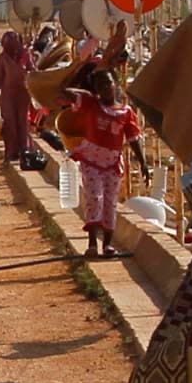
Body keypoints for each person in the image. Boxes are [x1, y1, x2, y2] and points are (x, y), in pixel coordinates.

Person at [63, 62, 144, 260]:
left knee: (110, 202)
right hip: (91, 160)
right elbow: (65, 91)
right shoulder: (91, 104)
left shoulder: (125, 113)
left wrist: (143, 164)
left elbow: (133, 140)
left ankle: (107, 244)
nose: (106, 89)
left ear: (115, 84)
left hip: (112, 163)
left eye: (108, 84)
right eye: (100, 86)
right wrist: (79, 70)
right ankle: (92, 243)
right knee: (94, 198)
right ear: (96, 90)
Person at [0, 27, 44, 164]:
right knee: (10, 123)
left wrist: (32, 79)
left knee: (23, 122)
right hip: (8, 95)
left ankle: (24, 150)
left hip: (23, 94)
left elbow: (33, 71)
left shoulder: (25, 55)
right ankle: (11, 152)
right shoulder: (2, 59)